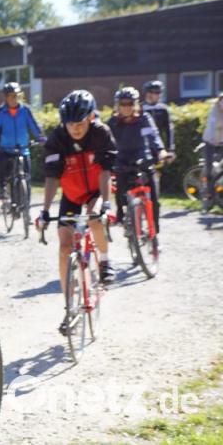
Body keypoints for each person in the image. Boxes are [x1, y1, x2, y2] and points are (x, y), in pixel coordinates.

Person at [38, 90, 117, 320]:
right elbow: (52, 177)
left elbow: (105, 170)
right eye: (70, 123)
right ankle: (69, 305)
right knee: (64, 247)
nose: (75, 128)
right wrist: (44, 211)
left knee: (94, 217)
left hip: (95, 190)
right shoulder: (57, 139)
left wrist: (106, 203)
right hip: (71, 195)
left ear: (91, 117)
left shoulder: (101, 133)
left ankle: (104, 261)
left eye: (80, 122)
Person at [107, 87, 167, 239]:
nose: (126, 107)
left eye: (130, 103)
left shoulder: (144, 119)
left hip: (143, 160)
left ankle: (154, 234)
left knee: (154, 199)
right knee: (120, 192)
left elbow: (154, 136)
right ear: (117, 105)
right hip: (122, 162)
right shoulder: (112, 123)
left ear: (135, 104)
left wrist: (161, 151)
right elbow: (106, 144)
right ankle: (122, 217)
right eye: (123, 103)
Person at [0, 82, 45, 209]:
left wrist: (40, 138)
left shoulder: (25, 110)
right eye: (11, 96)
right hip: (5, 149)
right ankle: (3, 189)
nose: (14, 99)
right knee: (1, 166)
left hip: (23, 149)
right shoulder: (0, 112)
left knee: (26, 178)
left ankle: (26, 208)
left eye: (16, 95)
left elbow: (34, 126)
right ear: (6, 97)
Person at [141, 81, 176, 164]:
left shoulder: (163, 109)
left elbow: (169, 129)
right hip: (142, 148)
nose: (159, 95)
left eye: (160, 92)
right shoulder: (140, 109)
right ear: (148, 94)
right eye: (157, 92)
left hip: (157, 147)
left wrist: (170, 148)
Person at [202, 92, 223, 211]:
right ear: (219, 101)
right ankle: (208, 197)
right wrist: (215, 139)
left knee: (220, 170)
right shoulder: (215, 111)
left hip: (221, 142)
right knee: (210, 169)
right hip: (210, 142)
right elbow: (213, 126)